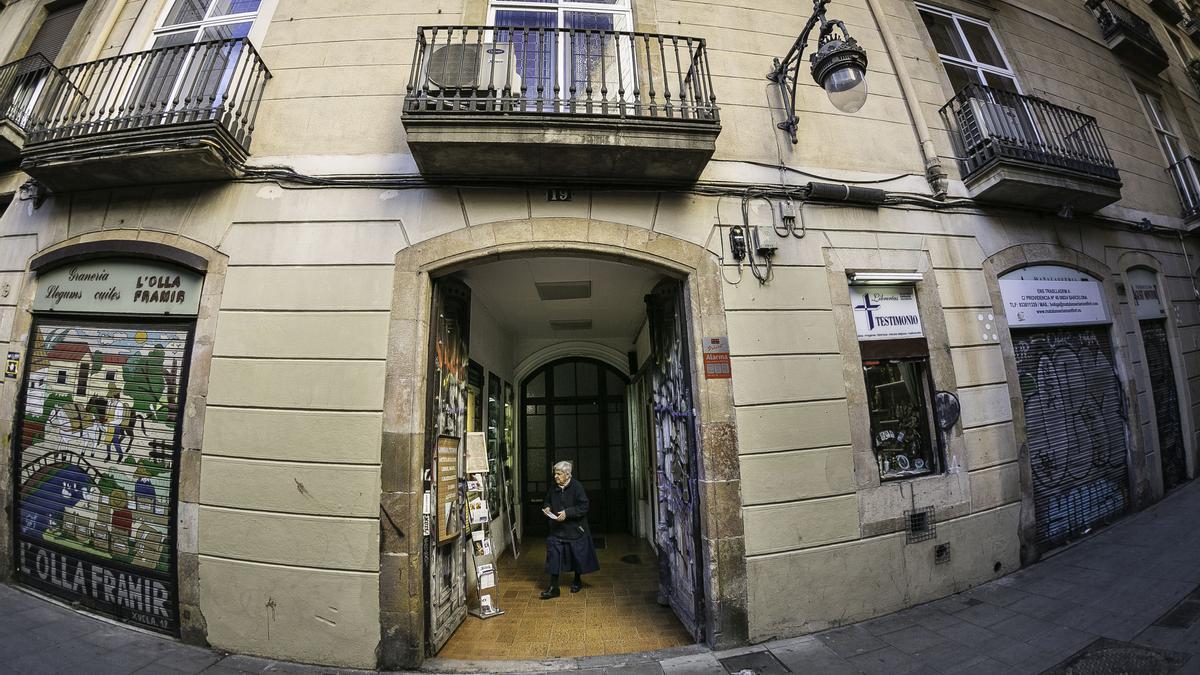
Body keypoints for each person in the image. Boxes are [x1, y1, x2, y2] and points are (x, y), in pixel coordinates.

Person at [540, 460, 599, 599]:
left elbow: (584, 506)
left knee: (576, 556)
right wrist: (547, 507)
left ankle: (577, 580)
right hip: (557, 529)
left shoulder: (577, 487)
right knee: (553, 555)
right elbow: (547, 500)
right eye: (555, 474)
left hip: (574, 529)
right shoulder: (553, 486)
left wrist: (567, 513)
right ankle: (554, 587)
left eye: (559, 474)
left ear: (567, 474)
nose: (556, 477)